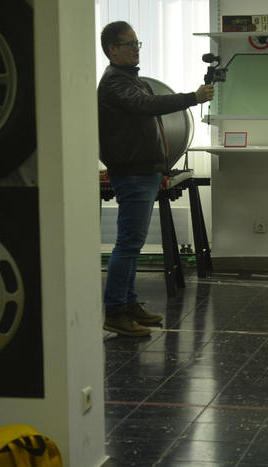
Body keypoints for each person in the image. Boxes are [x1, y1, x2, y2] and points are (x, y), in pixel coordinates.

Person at [98, 21, 214, 337]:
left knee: (132, 244)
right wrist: (192, 97)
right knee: (128, 244)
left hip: (143, 172)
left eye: (137, 43)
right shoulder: (115, 82)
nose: (136, 49)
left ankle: (128, 303)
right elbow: (146, 106)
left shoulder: (130, 79)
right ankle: (115, 312)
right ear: (112, 49)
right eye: (130, 44)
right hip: (133, 173)